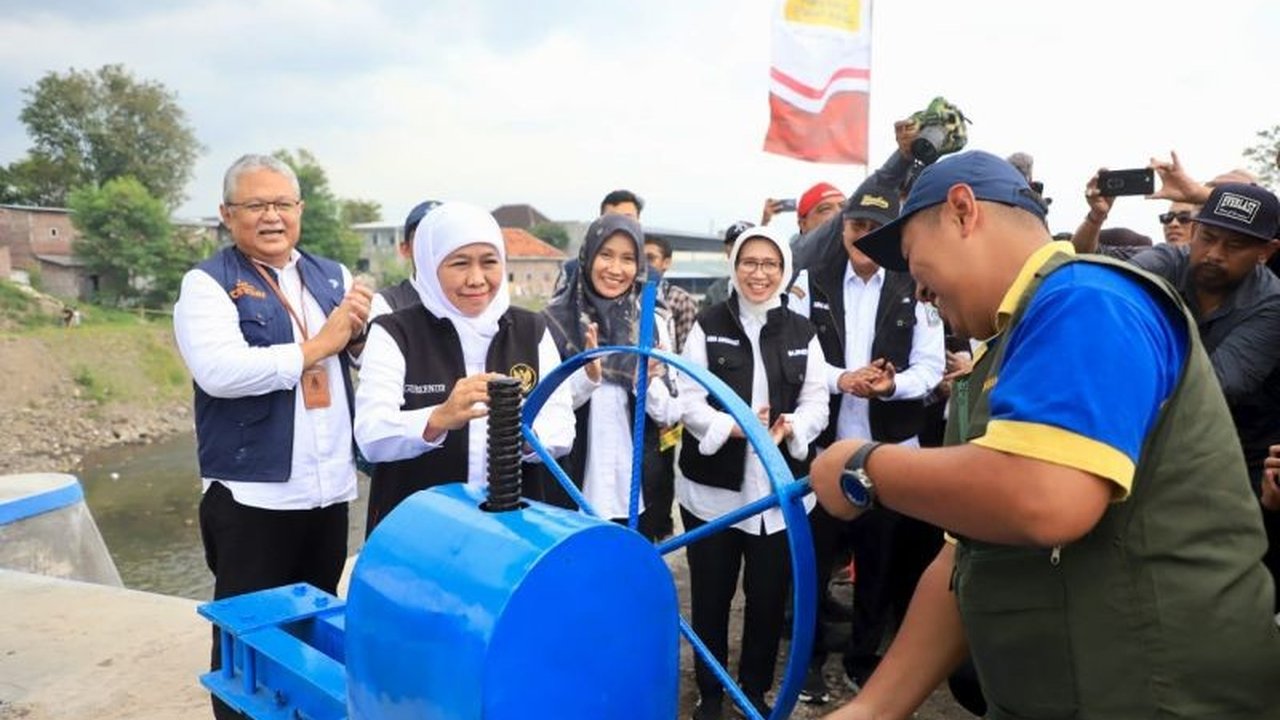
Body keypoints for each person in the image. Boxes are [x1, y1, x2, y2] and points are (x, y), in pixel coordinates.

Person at [810, 150, 1280, 720]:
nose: (919, 292)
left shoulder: (1087, 299)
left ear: (962, 211)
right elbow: (963, 556)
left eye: (913, 258)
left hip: (1155, 697)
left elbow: (1046, 497)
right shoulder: (1001, 356)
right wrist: (873, 708)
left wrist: (862, 467)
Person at [172, 153, 373, 720]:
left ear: (300, 209)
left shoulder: (331, 276)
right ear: (227, 214)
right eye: (256, 205)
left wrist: (358, 339)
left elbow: (369, 355)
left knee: (313, 626)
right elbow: (220, 372)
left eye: (283, 203)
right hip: (252, 495)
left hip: (326, 491)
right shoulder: (209, 283)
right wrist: (321, 344)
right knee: (247, 638)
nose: (272, 216)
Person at [797, 184, 945, 704]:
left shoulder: (915, 285)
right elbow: (800, 358)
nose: (864, 236)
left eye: (875, 229)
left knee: (877, 567)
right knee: (813, 567)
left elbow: (930, 367)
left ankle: (863, 661)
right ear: (843, 228)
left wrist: (890, 385)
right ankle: (809, 662)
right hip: (825, 449)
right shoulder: (811, 281)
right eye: (856, 225)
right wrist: (841, 379)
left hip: (890, 454)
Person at [676, 224, 828, 720]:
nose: (758, 274)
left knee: (767, 599)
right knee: (711, 597)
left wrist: (792, 427)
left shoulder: (803, 332)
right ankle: (711, 693)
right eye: (749, 262)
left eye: (769, 264)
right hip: (713, 493)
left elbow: (817, 400)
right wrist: (736, 426)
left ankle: (755, 689)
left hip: (778, 493)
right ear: (734, 266)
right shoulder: (708, 323)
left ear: (784, 270)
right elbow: (689, 400)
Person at [353, 202, 576, 533]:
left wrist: (526, 437)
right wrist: (436, 419)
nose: (476, 279)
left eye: (489, 262)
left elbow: (561, 426)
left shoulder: (531, 330)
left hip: (511, 528)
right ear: (429, 266)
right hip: (418, 525)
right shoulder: (395, 332)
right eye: (459, 263)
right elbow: (371, 435)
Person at [1123, 181, 1280, 611]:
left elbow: (1217, 386)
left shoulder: (1272, 305)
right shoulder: (1163, 263)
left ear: (1266, 252)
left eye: (1235, 246)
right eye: (1207, 236)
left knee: (1227, 595)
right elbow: (1112, 292)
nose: (1214, 253)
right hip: (1156, 455)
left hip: (1241, 467)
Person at [543, 213, 680, 538]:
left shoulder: (652, 324)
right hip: (572, 489)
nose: (616, 269)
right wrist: (587, 377)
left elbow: (671, 413)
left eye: (628, 258)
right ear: (588, 256)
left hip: (636, 494)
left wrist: (645, 382)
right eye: (606, 254)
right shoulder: (552, 322)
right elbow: (542, 412)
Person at [370, 199, 441, 318]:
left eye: (442, 236)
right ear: (406, 249)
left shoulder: (472, 297)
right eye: (423, 237)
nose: (433, 245)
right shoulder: (385, 304)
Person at [643, 234, 698, 353]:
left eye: (650, 258)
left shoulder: (681, 300)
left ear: (666, 263)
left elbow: (687, 351)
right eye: (639, 258)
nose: (644, 264)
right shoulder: (626, 296)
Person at [700, 220, 754, 311]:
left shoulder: (770, 287)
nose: (737, 249)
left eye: (743, 243)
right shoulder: (715, 291)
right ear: (726, 250)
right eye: (733, 245)